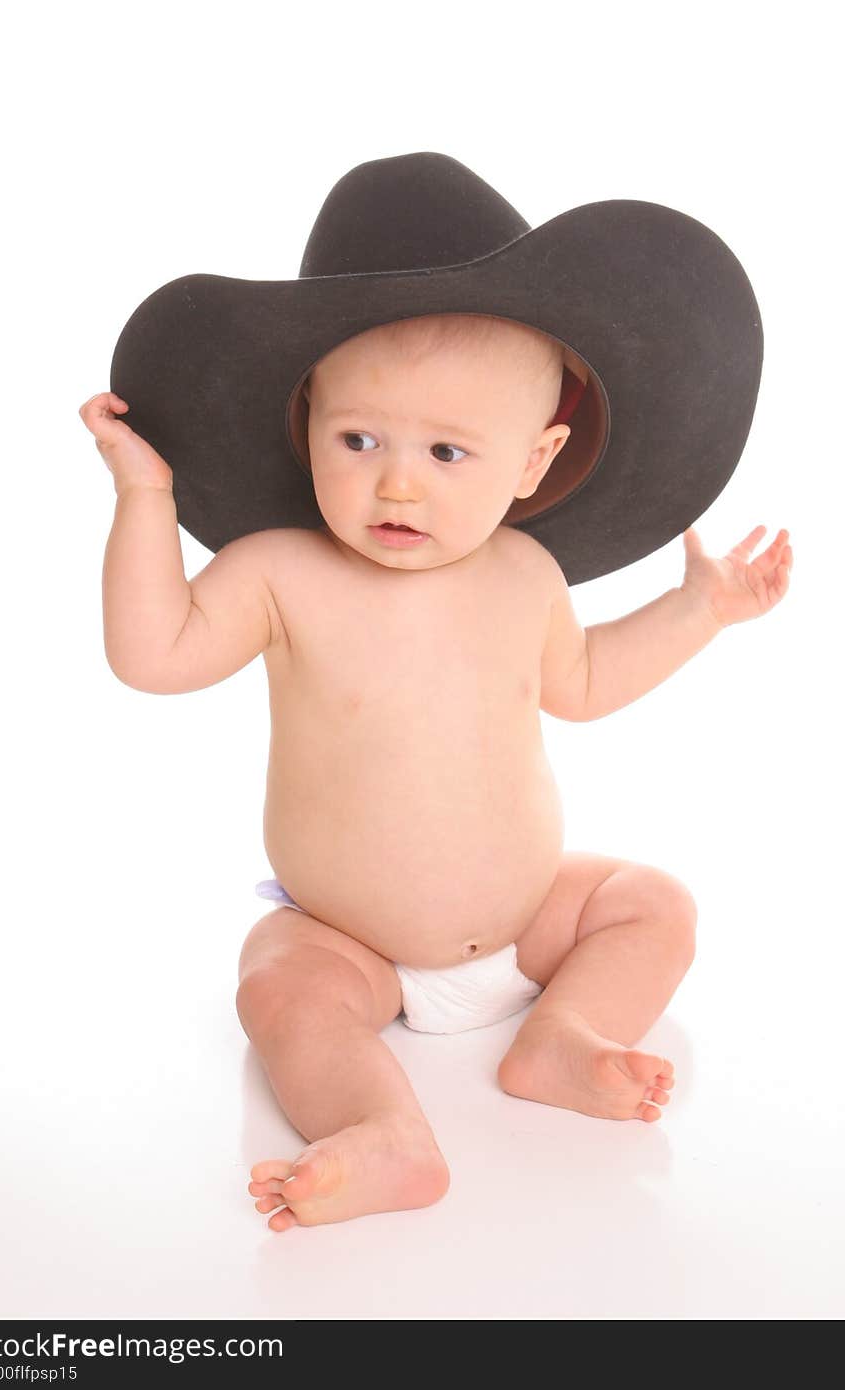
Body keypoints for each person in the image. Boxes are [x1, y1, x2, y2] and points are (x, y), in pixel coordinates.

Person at [82, 307, 791, 1233]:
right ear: (307, 426)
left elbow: (582, 683)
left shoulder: (527, 573)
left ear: (534, 462)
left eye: (448, 454)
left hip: (528, 916)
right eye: (359, 438)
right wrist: (146, 499)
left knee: (651, 901)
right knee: (276, 984)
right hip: (349, 938)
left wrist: (701, 609)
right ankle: (382, 1129)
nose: (399, 484)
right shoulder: (278, 572)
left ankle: (564, 1037)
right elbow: (153, 654)